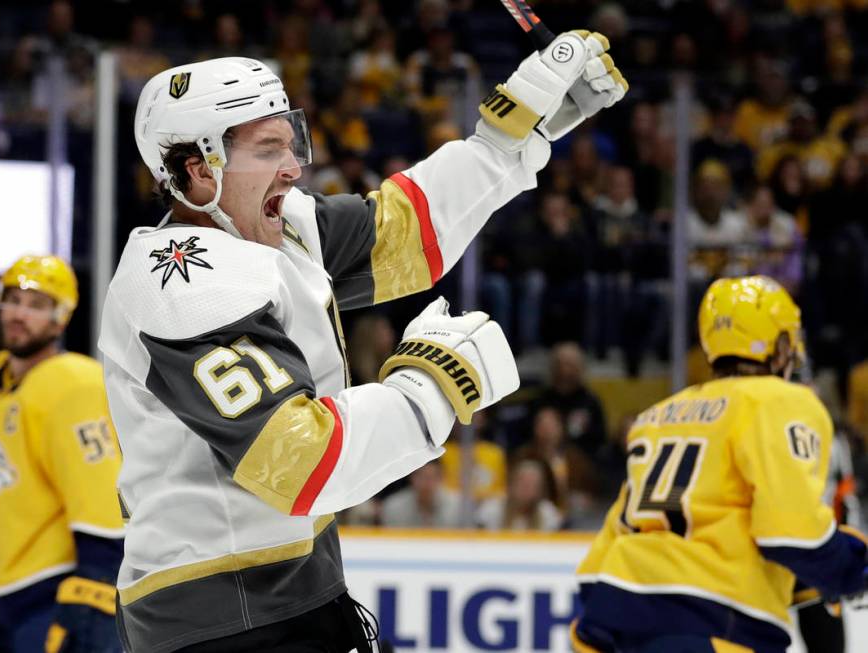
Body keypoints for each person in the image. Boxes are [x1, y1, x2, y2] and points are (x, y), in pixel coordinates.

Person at [101, 35, 627, 653]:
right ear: (197, 170)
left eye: (290, 140)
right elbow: (302, 464)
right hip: (219, 617)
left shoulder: (275, 226)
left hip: (290, 589)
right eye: (268, 149)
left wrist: (510, 138)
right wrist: (431, 385)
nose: (294, 167)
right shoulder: (180, 281)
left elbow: (406, 233)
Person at [572, 276, 868, 653]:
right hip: (712, 619)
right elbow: (790, 534)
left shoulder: (659, 415)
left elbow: (604, 556)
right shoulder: (781, 401)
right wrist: (852, 568)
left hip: (615, 615)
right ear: (778, 347)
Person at [0, 255, 124, 653]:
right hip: (5, 598)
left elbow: (101, 494)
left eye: (36, 305)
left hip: (57, 590)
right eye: (13, 299)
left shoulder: (74, 384)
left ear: (61, 318)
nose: (19, 314)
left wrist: (97, 582)